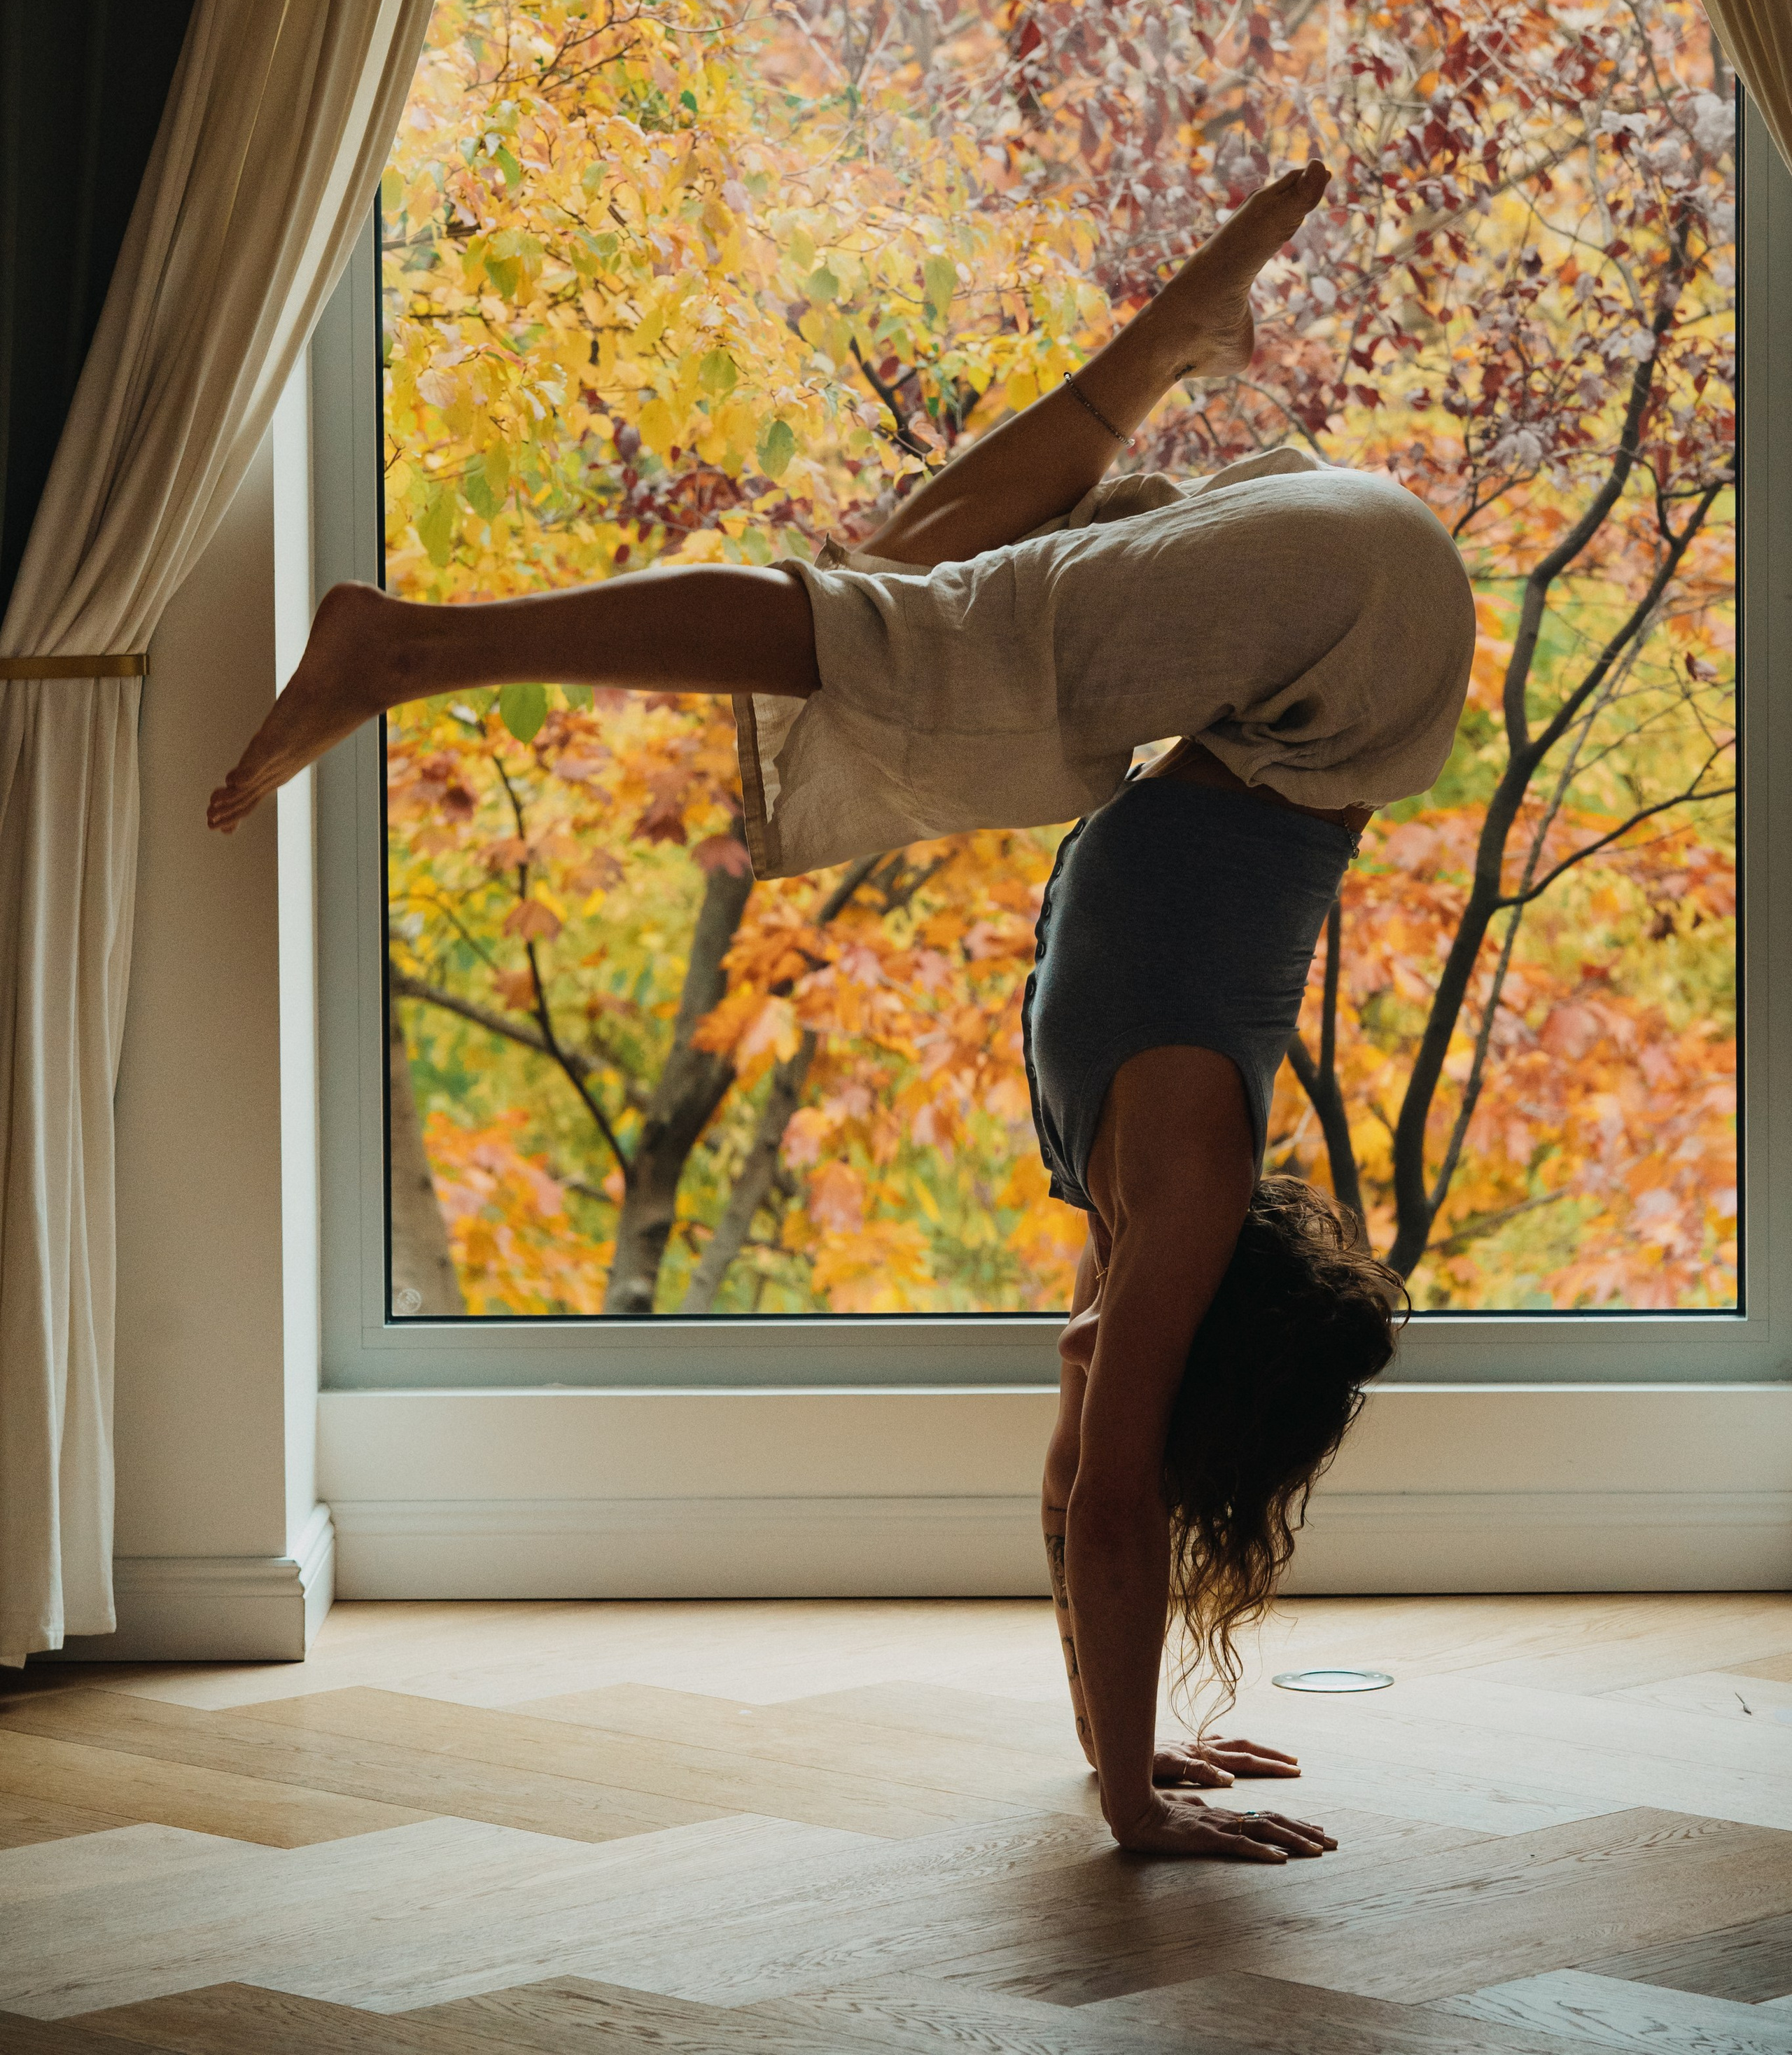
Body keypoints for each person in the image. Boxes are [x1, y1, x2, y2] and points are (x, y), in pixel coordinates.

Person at [209, 158, 1474, 1861]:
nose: (1087, 1363)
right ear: (1204, 1348)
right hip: (1356, 633)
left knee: (919, 581)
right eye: (1143, 1381)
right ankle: (411, 646)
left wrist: (1128, 1748)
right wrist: (1127, 1811)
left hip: (1324, 634)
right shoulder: (1176, 1165)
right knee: (904, 640)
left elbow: (1072, 1478)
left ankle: (1162, 348)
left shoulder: (1130, 1204)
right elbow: (1109, 1507)